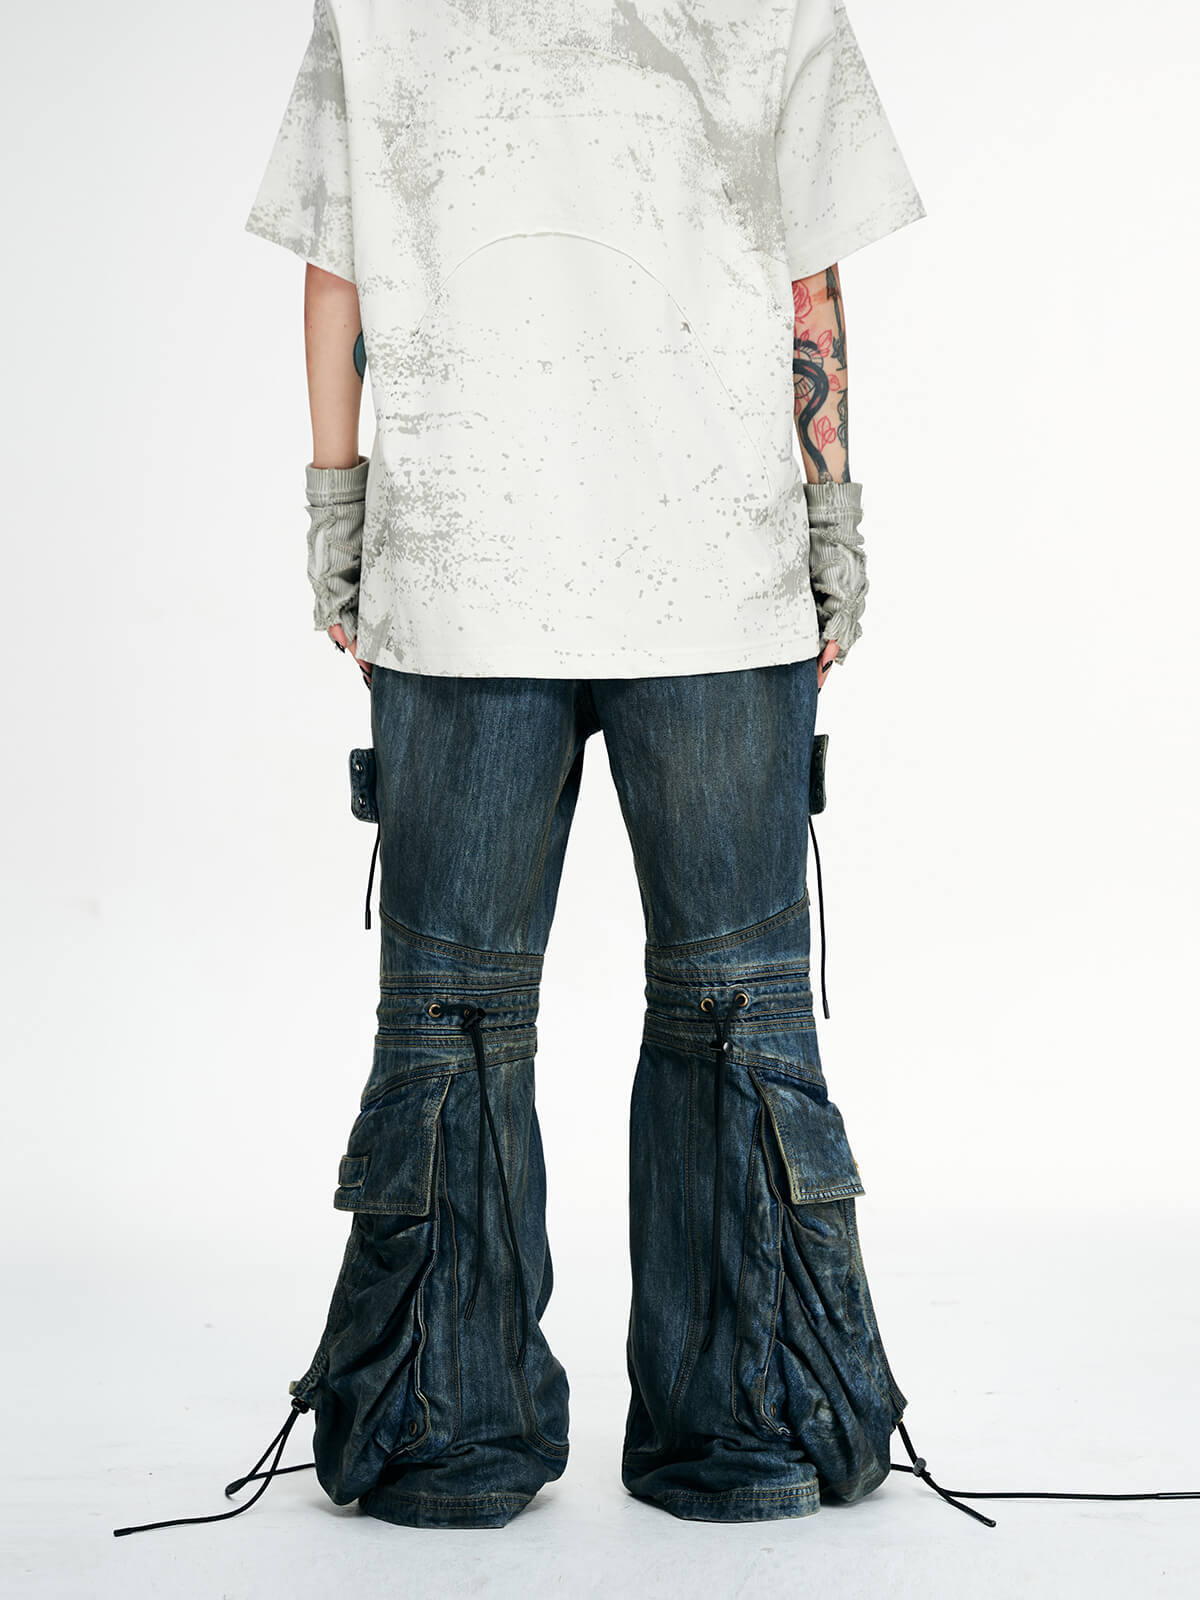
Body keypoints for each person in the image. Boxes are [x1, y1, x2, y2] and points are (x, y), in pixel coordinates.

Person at [121, 0, 945, 1534]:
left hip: (467, 568)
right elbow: (809, 284)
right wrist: (833, 513)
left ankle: (444, 1431)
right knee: (731, 1007)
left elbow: (336, 265)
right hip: (712, 566)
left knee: (458, 1015)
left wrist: (336, 505)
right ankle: (751, 1425)